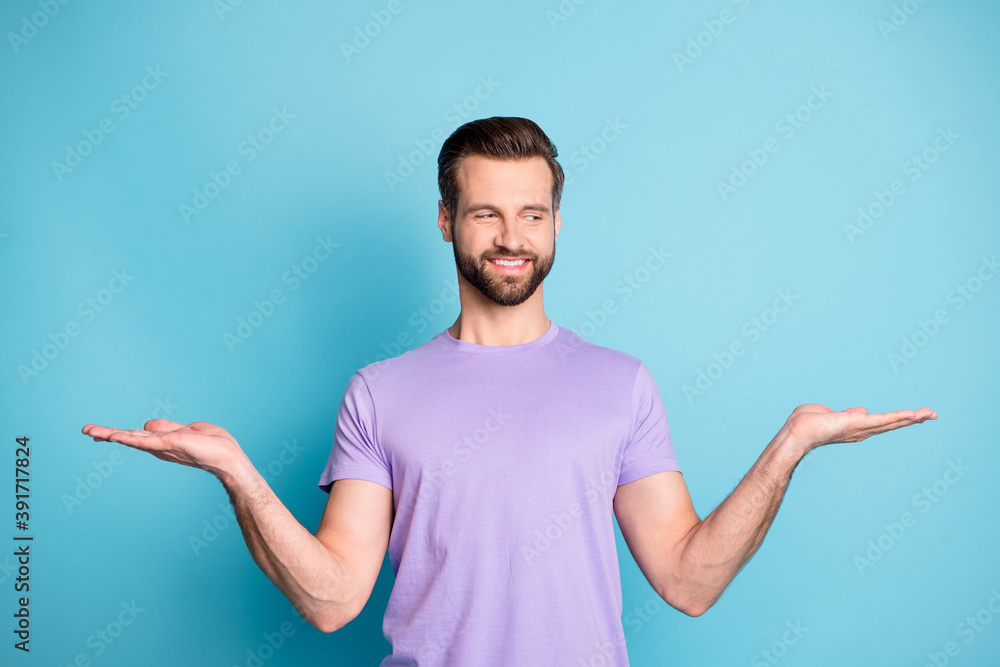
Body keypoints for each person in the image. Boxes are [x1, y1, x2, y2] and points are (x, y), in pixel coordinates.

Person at [82, 116, 937, 666]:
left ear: (557, 223)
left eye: (532, 213)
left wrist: (788, 447)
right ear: (448, 221)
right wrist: (238, 472)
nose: (511, 238)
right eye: (487, 213)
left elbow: (689, 579)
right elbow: (336, 598)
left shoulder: (620, 384)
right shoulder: (379, 392)